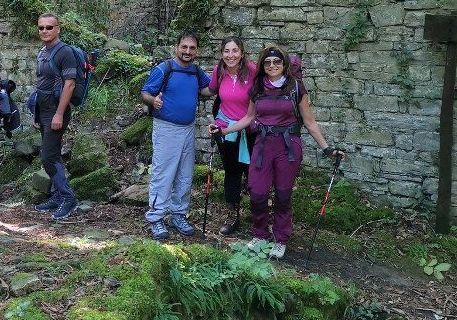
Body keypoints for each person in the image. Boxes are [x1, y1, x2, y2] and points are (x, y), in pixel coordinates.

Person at [210, 45, 344, 259]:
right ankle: (260, 234)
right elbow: (247, 118)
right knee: (257, 192)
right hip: (263, 145)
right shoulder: (257, 88)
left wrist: (327, 149)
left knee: (283, 195)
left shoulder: (295, 88)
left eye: (277, 62)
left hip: (288, 146)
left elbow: (309, 122)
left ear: (284, 65)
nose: (272, 66)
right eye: (268, 63)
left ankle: (281, 239)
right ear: (263, 66)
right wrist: (224, 130)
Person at [140, 32, 213, 240]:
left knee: (184, 174)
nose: (187, 52)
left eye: (192, 48)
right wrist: (153, 101)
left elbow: (207, 90)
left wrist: (223, 79)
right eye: (184, 47)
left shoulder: (196, 72)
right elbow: (145, 92)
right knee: (164, 174)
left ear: (197, 50)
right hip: (166, 128)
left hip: (188, 129)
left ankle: (178, 215)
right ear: (177, 47)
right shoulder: (165, 69)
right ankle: (156, 218)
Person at [32, 13, 79, 221]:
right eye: (41, 27)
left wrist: (59, 113)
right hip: (43, 109)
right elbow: (41, 83)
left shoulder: (64, 52)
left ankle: (69, 199)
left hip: (56, 109)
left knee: (47, 156)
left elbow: (70, 84)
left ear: (58, 29)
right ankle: (57, 195)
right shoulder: (43, 52)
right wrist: (37, 113)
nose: (44, 31)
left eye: (49, 27)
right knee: (54, 154)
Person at [210, 36, 258, 237]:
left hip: (251, 130)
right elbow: (209, 90)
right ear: (222, 53)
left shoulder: (253, 70)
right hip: (225, 130)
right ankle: (232, 215)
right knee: (231, 172)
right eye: (227, 51)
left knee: (254, 172)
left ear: (242, 53)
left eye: (235, 51)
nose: (231, 55)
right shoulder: (218, 71)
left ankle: (259, 217)